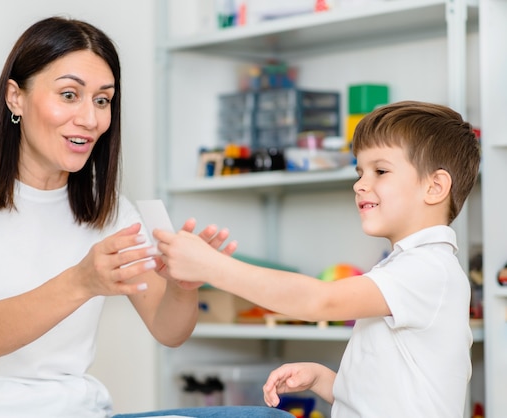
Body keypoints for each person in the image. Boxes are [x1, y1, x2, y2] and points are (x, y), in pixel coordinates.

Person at [0, 16, 293, 418]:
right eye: (68, 95)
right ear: (15, 97)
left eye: (102, 100)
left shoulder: (109, 210)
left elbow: (169, 331)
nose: (90, 119)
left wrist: (183, 287)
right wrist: (82, 281)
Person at [154, 101, 481, 418]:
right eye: (360, 171)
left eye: (380, 170)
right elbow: (388, 397)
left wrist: (211, 266)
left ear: (435, 187)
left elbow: (319, 301)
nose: (360, 184)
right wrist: (325, 380)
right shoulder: (407, 266)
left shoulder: (428, 268)